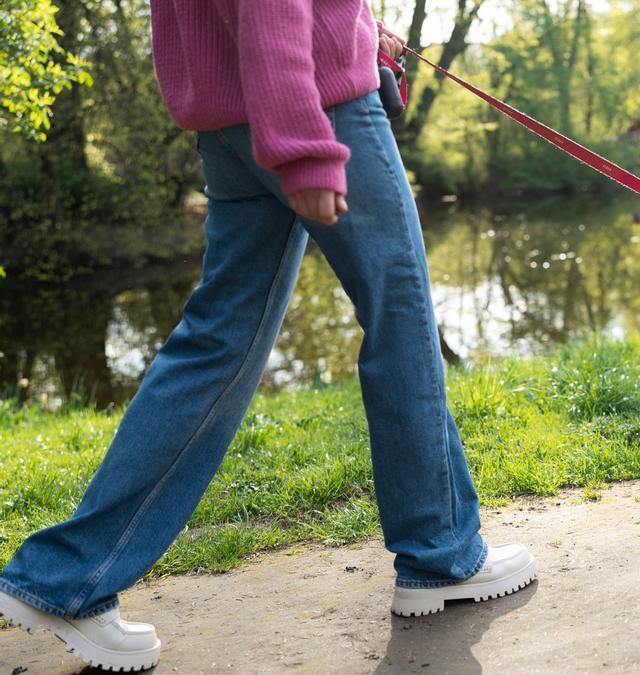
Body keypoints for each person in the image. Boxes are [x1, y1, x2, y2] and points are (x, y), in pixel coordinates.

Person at [0, 1, 535, 670]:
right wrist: (302, 142)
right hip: (311, 104)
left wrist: (354, 28)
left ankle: (66, 575)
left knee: (216, 344)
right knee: (399, 318)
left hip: (230, 112)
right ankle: (442, 553)